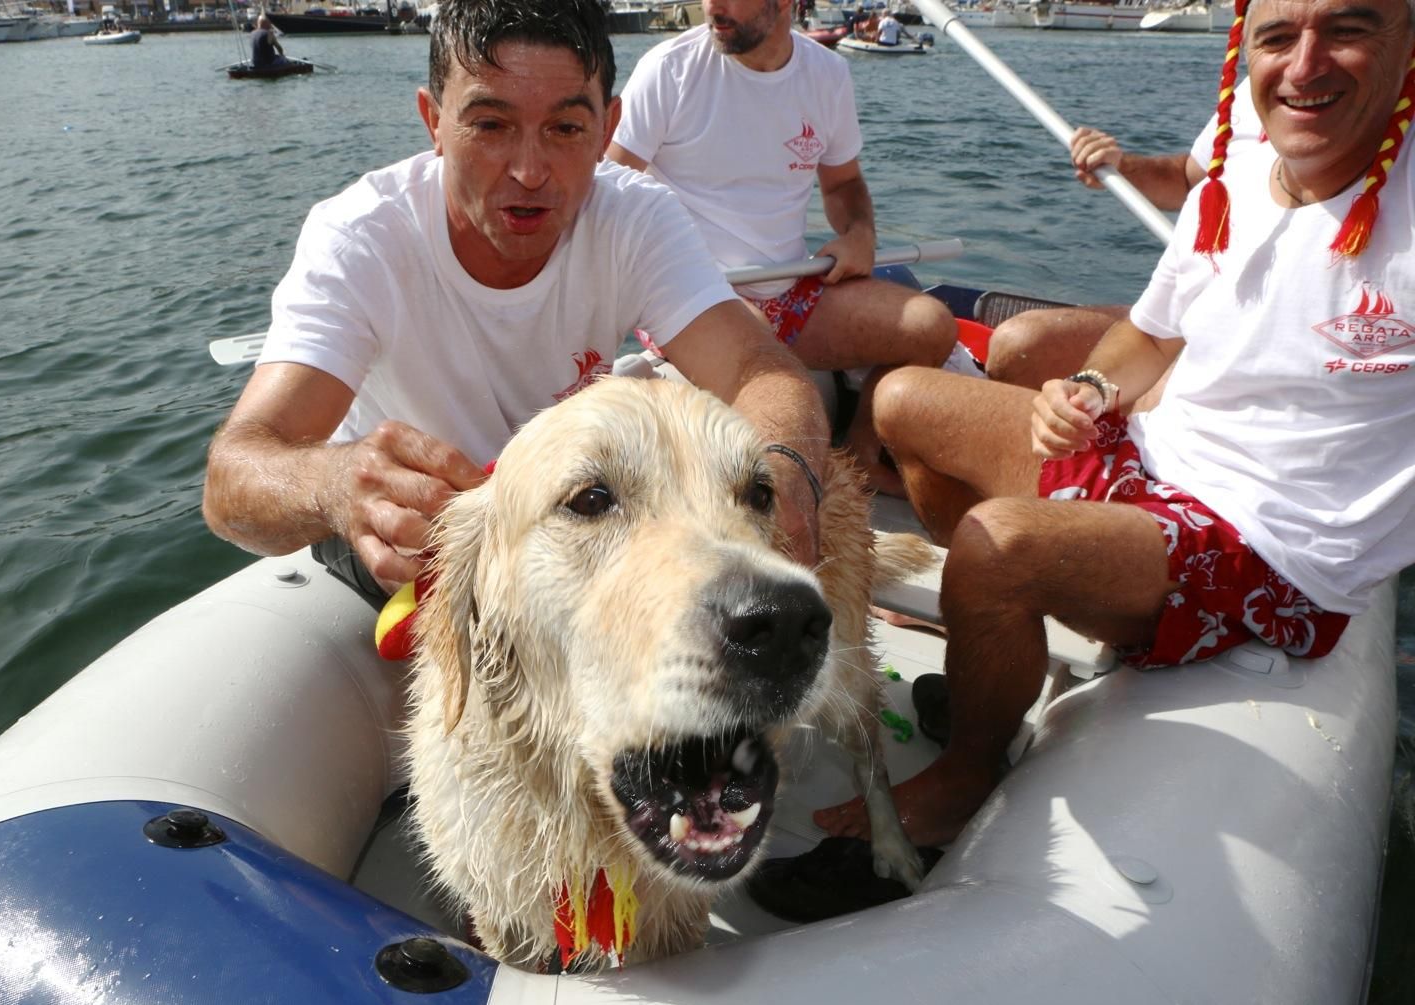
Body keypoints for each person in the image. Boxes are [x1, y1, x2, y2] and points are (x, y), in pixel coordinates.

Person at [830, 0, 1415, 850]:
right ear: (1244, 52)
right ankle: (998, 641)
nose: (1305, 64)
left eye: (1349, 30)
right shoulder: (1238, 165)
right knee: (903, 401)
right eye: (1278, 37)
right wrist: (1094, 387)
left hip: (1273, 543)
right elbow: (1151, 333)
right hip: (1161, 454)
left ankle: (967, 770)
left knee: (998, 542)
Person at [203, 0, 830, 606]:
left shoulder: (635, 216)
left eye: (565, 129)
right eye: (490, 125)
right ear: (434, 122)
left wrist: (782, 475)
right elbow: (235, 473)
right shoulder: (360, 239)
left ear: (607, 129)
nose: (530, 171)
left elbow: (760, 370)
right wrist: (337, 484)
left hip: (576, 518)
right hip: (421, 536)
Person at [606, 0, 958, 494]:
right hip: (695, 297)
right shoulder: (669, 71)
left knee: (932, 327)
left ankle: (861, 447)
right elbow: (609, 191)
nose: (712, 6)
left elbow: (843, 185)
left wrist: (860, 234)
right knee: (761, 352)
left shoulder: (827, 74)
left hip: (792, 287)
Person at [985, 77, 1261, 388]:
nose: (1301, 63)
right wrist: (1120, 166)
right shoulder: (1257, 92)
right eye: (1277, 39)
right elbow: (1187, 179)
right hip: (1189, 317)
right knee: (1020, 345)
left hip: (1250, 340)